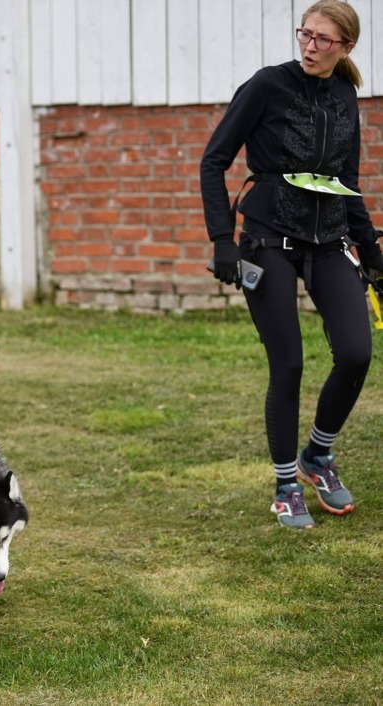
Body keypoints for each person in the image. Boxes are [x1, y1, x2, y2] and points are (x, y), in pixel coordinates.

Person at [200, 0, 383, 530]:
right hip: (267, 240)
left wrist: (372, 255)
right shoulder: (267, 85)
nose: (308, 45)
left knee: (355, 352)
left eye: (322, 39)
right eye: (305, 34)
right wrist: (222, 240)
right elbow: (214, 160)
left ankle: (317, 458)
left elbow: (347, 182)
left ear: (345, 47)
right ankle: (285, 486)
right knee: (289, 364)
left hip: (327, 241)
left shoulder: (347, 96)